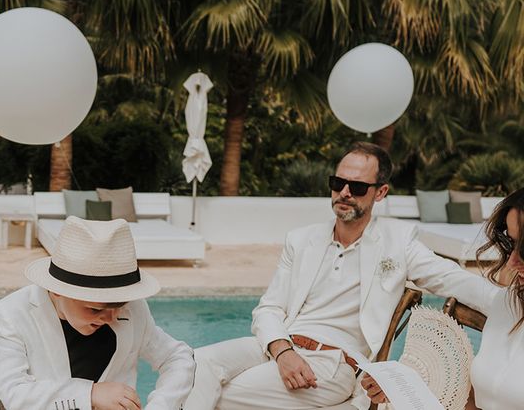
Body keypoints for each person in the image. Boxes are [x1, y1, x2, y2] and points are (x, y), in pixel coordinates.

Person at [184, 142, 497, 410]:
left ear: (381, 192)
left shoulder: (398, 242)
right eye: (338, 183)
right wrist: (283, 351)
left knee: (222, 396)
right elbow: (269, 309)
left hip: (333, 365)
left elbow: (455, 279)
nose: (345, 193)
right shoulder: (301, 239)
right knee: (194, 366)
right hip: (279, 346)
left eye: (358, 187)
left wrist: (511, 301)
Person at [0, 216, 195, 410]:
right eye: (95, 309)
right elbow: (8, 393)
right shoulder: (14, 312)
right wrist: (90, 394)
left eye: (119, 305)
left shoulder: (134, 307)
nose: (111, 317)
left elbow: (177, 357)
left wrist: (161, 405)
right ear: (56, 290)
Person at [362, 187, 524, 410]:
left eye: (523, 248)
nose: (511, 262)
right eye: (511, 243)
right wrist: (401, 389)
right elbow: (482, 400)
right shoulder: (506, 305)